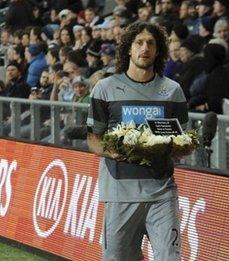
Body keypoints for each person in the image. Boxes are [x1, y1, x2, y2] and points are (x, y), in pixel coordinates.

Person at [86, 22, 188, 260]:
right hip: (120, 194)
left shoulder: (172, 90)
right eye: (139, 43)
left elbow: (182, 140)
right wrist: (114, 152)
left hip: (161, 193)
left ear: (158, 50)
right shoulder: (105, 88)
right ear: (128, 49)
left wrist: (179, 148)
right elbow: (93, 140)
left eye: (151, 43)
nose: (145, 48)